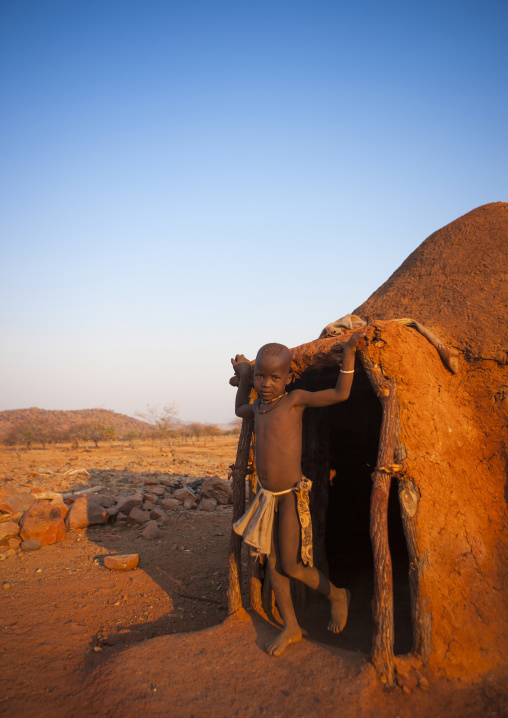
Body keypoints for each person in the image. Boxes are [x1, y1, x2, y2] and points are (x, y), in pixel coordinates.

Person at [231, 331, 366, 656]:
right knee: (275, 563)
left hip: (289, 496)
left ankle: (336, 595)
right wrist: (246, 375)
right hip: (266, 498)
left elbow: (339, 394)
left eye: (274, 377)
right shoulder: (258, 410)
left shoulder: (294, 401)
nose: (266, 383)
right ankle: (291, 626)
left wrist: (347, 357)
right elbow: (239, 411)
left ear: (289, 379)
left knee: (290, 565)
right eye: (261, 376)